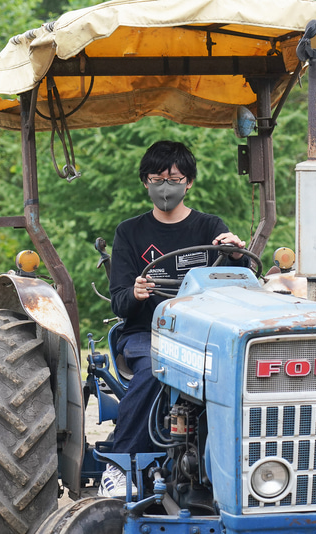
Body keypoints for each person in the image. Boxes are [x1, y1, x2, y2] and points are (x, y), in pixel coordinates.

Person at [99, 140, 248, 498]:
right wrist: (134, 294)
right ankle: (121, 465)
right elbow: (119, 302)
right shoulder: (129, 232)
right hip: (145, 332)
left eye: (175, 178)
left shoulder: (210, 227)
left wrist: (237, 255)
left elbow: (237, 285)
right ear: (145, 182)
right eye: (157, 178)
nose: (166, 186)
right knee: (157, 367)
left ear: (189, 182)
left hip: (203, 334)